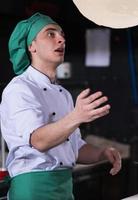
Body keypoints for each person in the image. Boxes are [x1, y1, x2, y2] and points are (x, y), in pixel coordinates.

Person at [0, 12, 122, 200]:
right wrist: (77, 116)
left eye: (62, 35)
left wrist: (101, 153)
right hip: (33, 190)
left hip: (64, 188)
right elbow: (38, 140)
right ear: (31, 45)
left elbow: (74, 147)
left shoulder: (63, 94)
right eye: (51, 34)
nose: (61, 40)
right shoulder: (19, 88)